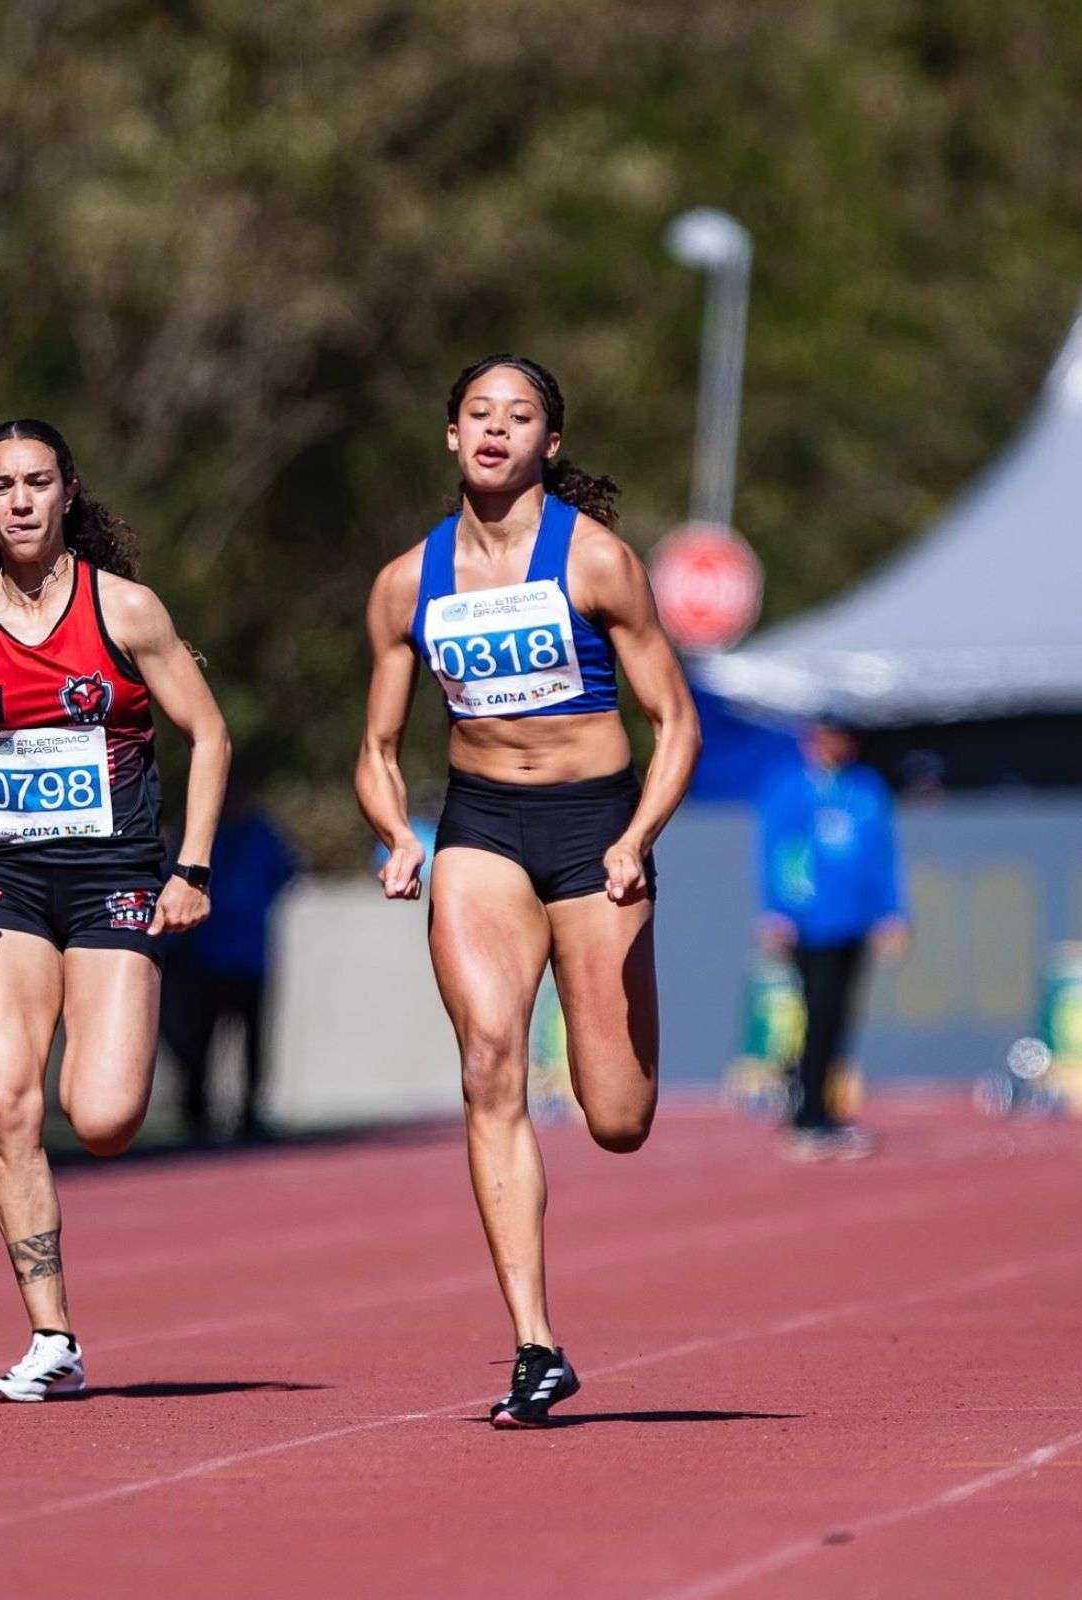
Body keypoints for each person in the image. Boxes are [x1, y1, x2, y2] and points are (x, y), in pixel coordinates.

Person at [357, 353, 700, 1427]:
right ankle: (534, 1342)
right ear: (451, 436)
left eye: (521, 416)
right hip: (481, 832)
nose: (497, 429)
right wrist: (394, 832)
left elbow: (676, 723)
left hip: (598, 834)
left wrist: (640, 835)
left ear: (552, 443)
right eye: (479, 413)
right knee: (489, 1060)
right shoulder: (410, 582)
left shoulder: (596, 562)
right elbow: (374, 745)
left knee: (618, 1117)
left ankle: (628, 1010)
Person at [0, 418, 229, 1402]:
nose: (19, 501)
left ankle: (58, 1324)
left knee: (103, 1116)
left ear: (67, 492)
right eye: (1, 484)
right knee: (7, 1098)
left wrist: (193, 869)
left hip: (116, 879)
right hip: (9, 880)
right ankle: (53, 1336)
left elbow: (209, 735)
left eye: (37, 482)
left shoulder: (125, 610)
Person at [757, 720, 908, 1160]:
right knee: (819, 1010)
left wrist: (892, 911)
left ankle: (821, 1104)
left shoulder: (865, 787)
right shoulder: (790, 787)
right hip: (811, 921)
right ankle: (808, 1115)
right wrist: (779, 909)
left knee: (840, 1015)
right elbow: (777, 850)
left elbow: (883, 855)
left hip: (855, 919)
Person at [162, 779, 300, 1144]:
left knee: (253, 1038)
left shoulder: (261, 833)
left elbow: (289, 870)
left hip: (251, 955)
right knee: (200, 1039)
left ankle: (251, 1110)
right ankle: (196, 1112)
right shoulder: (198, 836)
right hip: (204, 955)